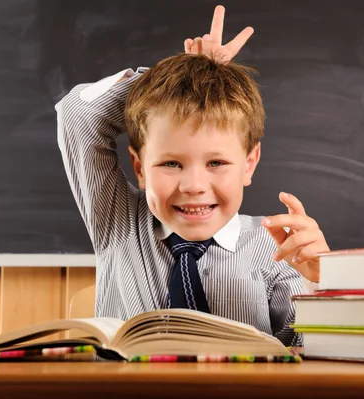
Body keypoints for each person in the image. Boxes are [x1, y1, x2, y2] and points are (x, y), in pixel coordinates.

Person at [56, 5, 329, 346]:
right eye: (171, 164)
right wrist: (175, 79)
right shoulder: (119, 222)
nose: (194, 186)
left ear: (249, 163)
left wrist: (322, 286)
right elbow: (78, 115)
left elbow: (307, 354)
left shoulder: (274, 247)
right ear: (140, 168)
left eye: (216, 163)